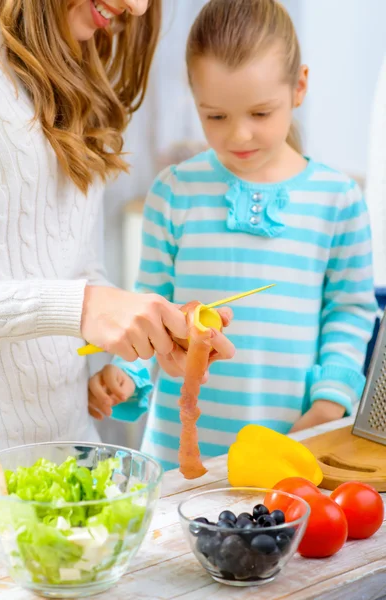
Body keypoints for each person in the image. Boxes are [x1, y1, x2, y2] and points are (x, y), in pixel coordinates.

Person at [89, 0, 377, 471]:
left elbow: (349, 310)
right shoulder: (175, 191)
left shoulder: (337, 198)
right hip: (176, 461)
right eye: (216, 116)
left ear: (299, 86)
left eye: (261, 113)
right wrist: (125, 374)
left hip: (287, 449)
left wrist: (329, 404)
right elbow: (150, 307)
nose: (239, 136)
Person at [0, 0, 235, 450]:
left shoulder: (71, 61)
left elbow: (73, 264)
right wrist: (83, 309)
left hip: (72, 453)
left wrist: (122, 343)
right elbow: (75, 298)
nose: (138, 8)